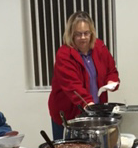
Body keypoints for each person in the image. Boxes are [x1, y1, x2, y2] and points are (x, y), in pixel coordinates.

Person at [48, 11, 120, 140]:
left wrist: (111, 82)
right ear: (71, 34)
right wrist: (89, 104)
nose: (83, 37)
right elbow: (72, 86)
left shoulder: (99, 47)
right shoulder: (64, 55)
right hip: (70, 114)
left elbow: (111, 70)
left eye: (86, 33)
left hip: (94, 112)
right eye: (78, 34)